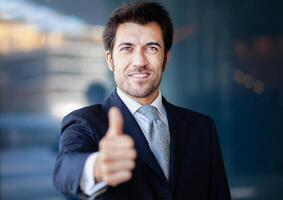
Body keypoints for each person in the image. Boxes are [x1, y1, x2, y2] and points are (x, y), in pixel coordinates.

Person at [53, 2, 231, 200]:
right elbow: (64, 169)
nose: (139, 62)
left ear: (166, 58)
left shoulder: (202, 128)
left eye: (152, 48)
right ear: (110, 60)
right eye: (127, 48)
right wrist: (96, 167)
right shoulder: (84, 122)